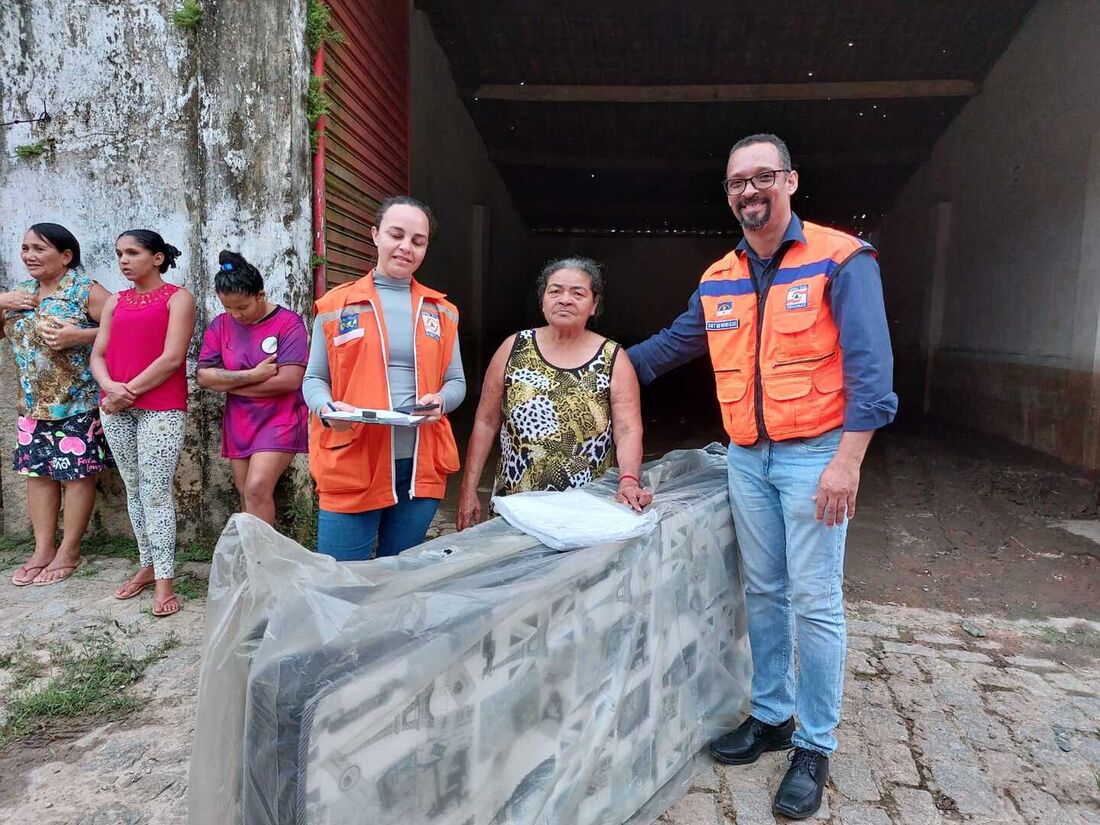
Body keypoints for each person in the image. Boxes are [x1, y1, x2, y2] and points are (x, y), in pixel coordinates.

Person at [627, 133, 896, 819]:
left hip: (815, 457)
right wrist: (597, 368)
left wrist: (848, 462)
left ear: (790, 181)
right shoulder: (719, 276)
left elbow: (872, 372)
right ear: (728, 195)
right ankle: (772, 714)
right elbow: (668, 347)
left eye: (763, 177)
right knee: (766, 590)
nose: (750, 190)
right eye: (737, 182)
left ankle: (814, 742)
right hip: (747, 456)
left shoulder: (842, 258)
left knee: (815, 599)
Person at [303, 196, 466, 560]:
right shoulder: (336, 305)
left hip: (420, 462)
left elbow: (456, 381)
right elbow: (314, 378)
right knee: (342, 579)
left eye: (418, 241)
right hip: (353, 457)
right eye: (396, 235)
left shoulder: (442, 311)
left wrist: (441, 400)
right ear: (375, 235)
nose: (406, 247)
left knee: (399, 580)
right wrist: (328, 409)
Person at [456, 257, 653, 531]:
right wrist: (468, 489)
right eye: (555, 290)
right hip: (516, 505)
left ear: (594, 305)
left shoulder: (612, 358)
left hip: (584, 508)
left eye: (577, 293)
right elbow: (486, 422)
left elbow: (628, 428)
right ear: (543, 300)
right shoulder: (513, 348)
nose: (565, 299)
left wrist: (628, 479)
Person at [91, 230, 196, 617]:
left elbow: (172, 358)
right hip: (116, 406)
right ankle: (147, 566)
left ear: (156, 258)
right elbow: (98, 353)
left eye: (132, 252)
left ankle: (166, 580)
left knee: (155, 492)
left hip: (161, 408)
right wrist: (108, 388)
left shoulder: (179, 298)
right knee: (134, 488)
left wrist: (126, 391)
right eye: (119, 253)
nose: (123, 260)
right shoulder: (115, 302)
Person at [1, 223, 112, 585]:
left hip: (76, 403)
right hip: (31, 406)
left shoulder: (85, 290)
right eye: (25, 248)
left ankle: (70, 550)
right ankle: (43, 549)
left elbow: (128, 326)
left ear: (66, 257)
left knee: (77, 476)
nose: (29, 255)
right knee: (38, 476)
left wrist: (79, 335)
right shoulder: (22, 293)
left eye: (39, 249)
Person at [197, 251, 309, 524]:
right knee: (245, 492)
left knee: (257, 488)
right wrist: (252, 375)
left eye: (242, 307)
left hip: (280, 418)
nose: (235, 315)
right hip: (240, 421)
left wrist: (230, 385)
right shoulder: (220, 325)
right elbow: (204, 377)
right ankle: (254, 557)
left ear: (260, 294)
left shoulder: (288, 323)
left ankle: (264, 564)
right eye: (228, 308)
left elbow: (289, 380)